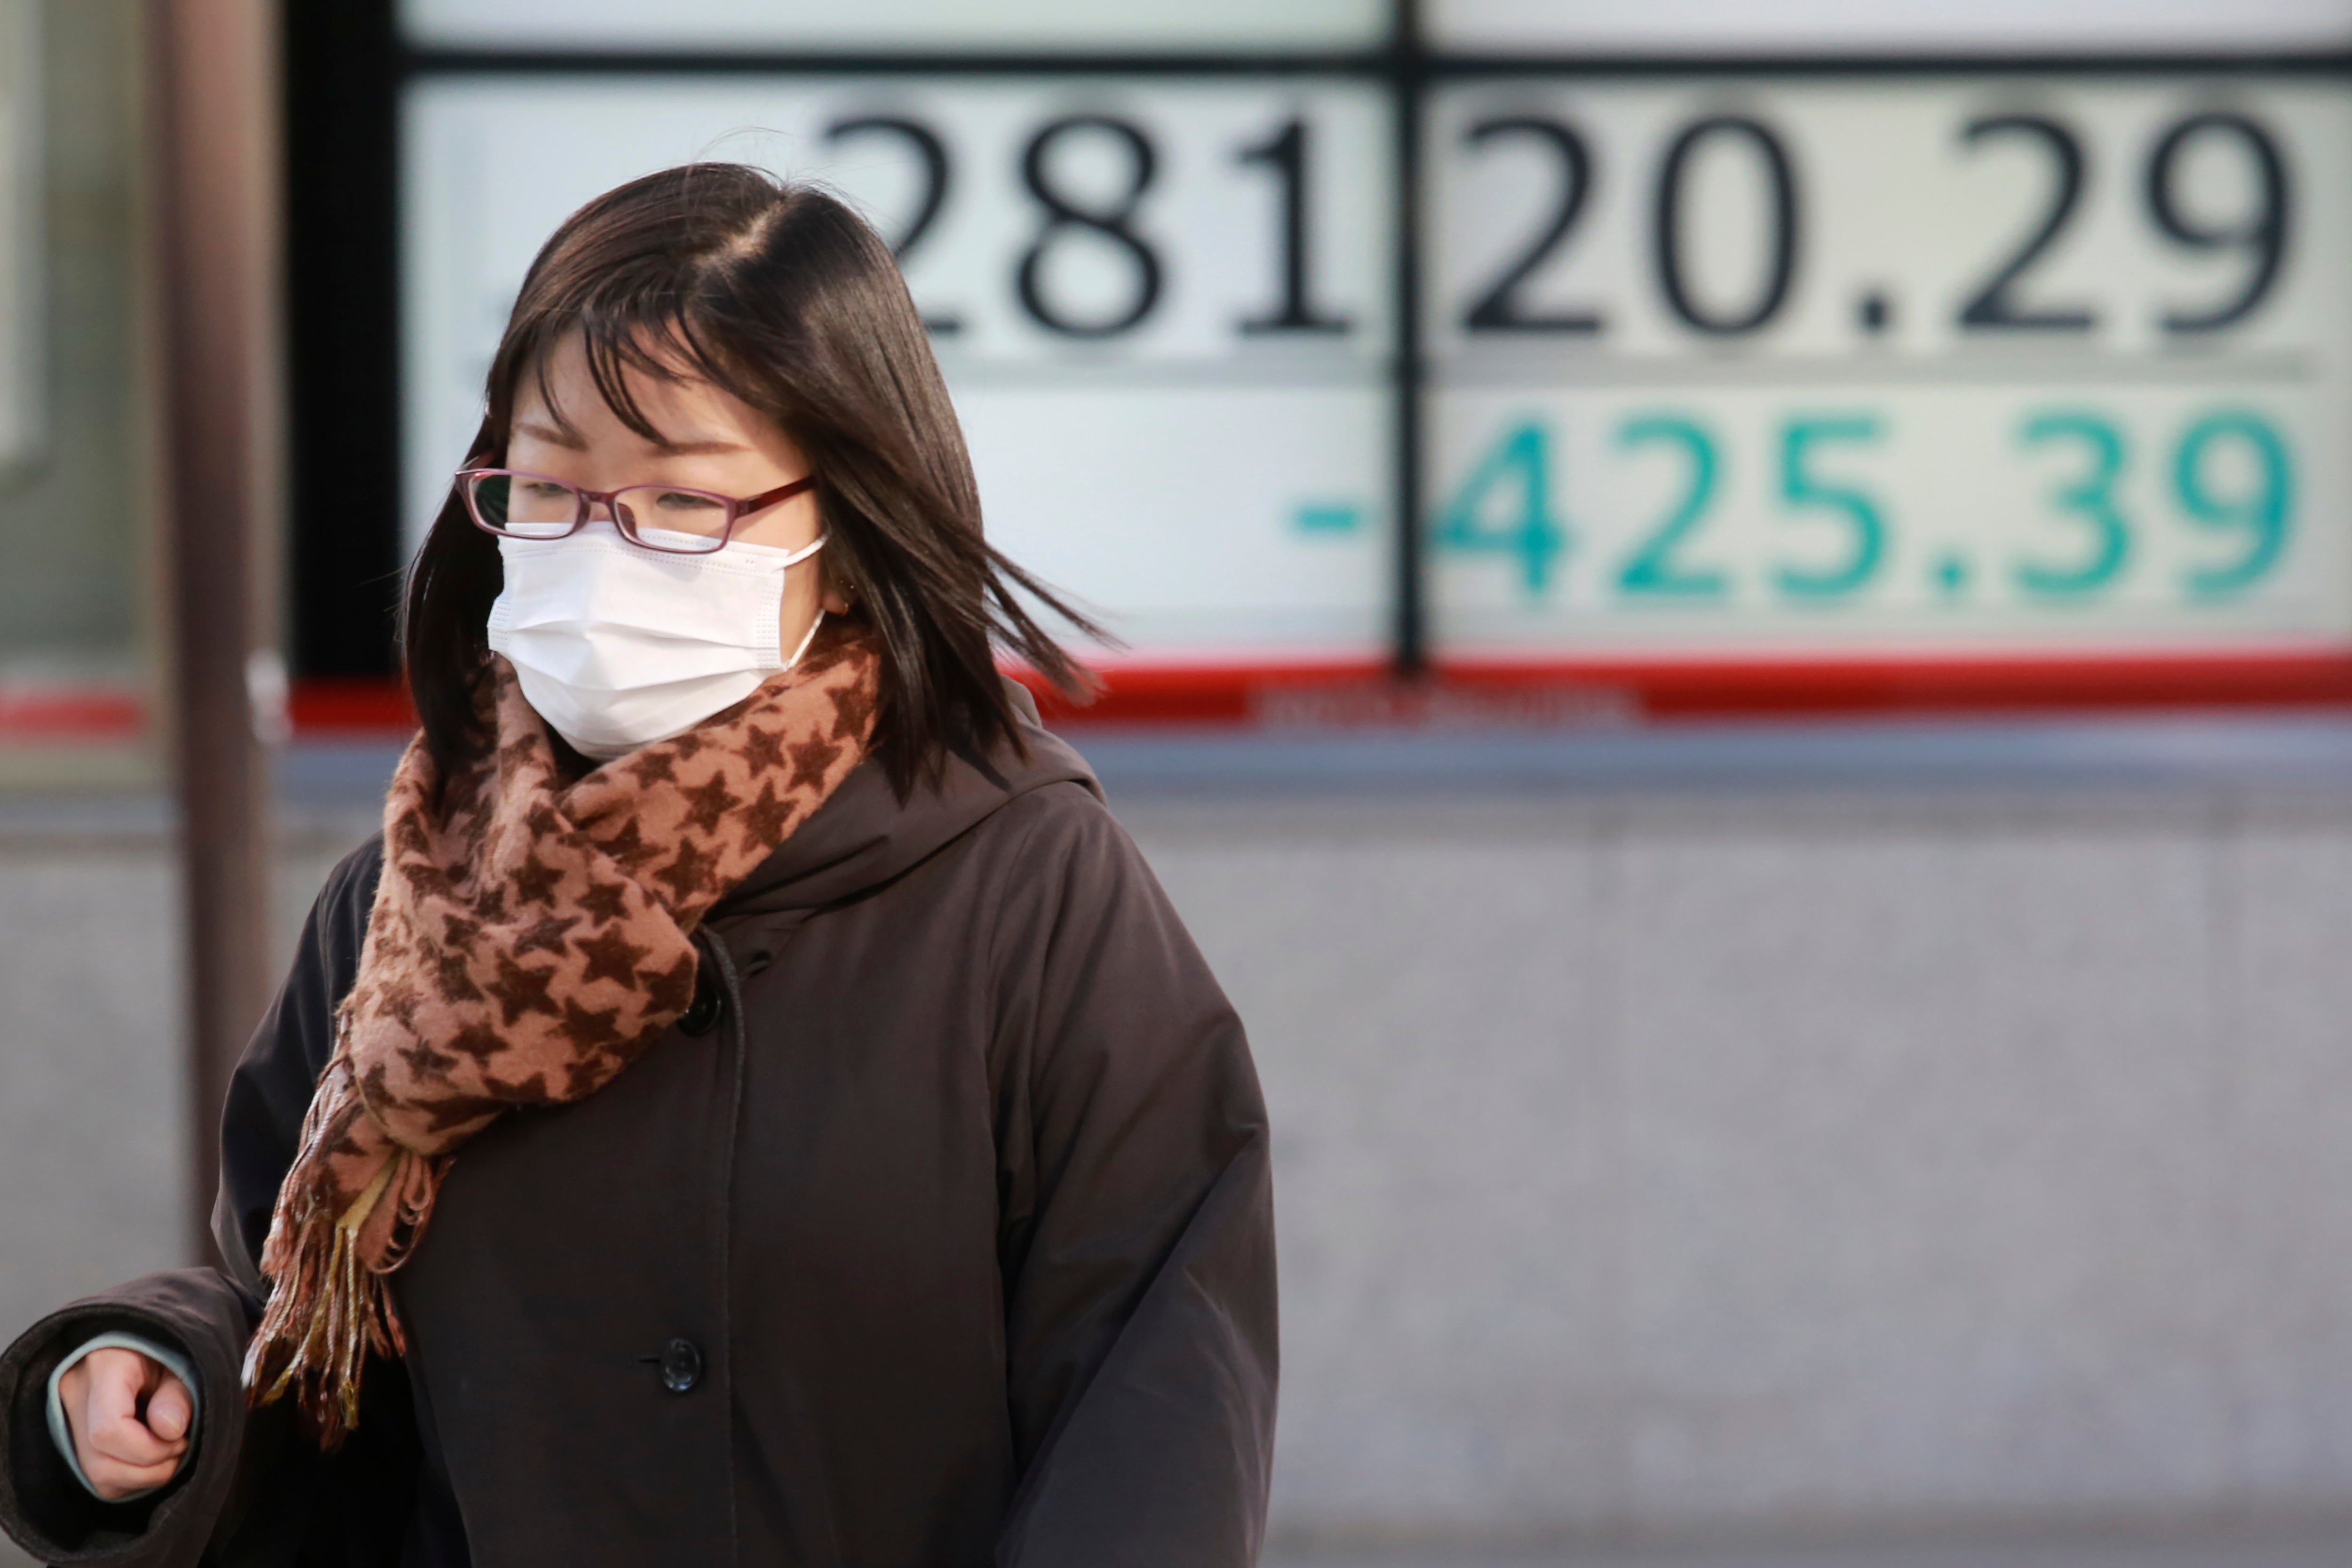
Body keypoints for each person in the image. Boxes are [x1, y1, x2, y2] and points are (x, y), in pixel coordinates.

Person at [0, 165, 1276, 1568]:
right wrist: (157, 1376)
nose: (603, 554)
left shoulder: (1025, 886)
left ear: (847, 534)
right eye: (548, 489)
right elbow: (306, 1338)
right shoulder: (405, 901)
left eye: (682, 504)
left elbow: (1156, 1383)